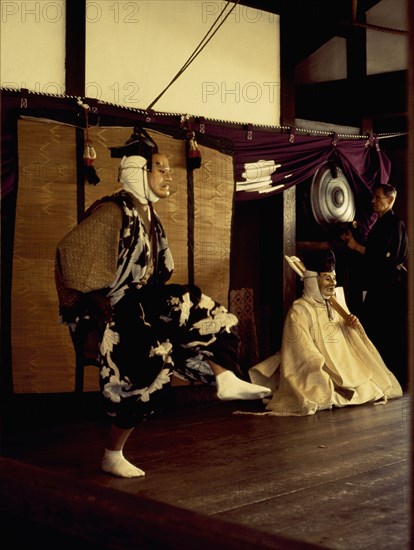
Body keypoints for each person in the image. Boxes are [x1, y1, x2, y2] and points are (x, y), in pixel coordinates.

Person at [55, 128, 271, 478]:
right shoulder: (113, 212)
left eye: (169, 169)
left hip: (142, 302)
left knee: (205, 311)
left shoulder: (149, 216)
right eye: (160, 169)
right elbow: (71, 256)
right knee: (151, 366)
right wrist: (94, 303)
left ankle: (225, 376)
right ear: (137, 172)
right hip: (115, 310)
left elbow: (160, 272)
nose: (169, 175)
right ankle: (113, 452)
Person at [248, 249, 402, 416]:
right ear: (313, 280)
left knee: (371, 389)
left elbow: (349, 344)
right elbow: (302, 351)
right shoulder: (299, 310)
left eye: (334, 278)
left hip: (345, 368)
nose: (333, 283)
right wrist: (323, 370)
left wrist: (353, 326)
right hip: (316, 368)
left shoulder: (336, 305)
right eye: (327, 278)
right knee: (320, 392)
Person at [342, 183, 408, 388]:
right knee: (375, 329)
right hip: (379, 286)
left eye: (378, 198)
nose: (373, 201)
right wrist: (354, 241)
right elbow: (374, 251)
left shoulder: (395, 224)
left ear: (390, 201)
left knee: (387, 331)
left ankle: (393, 377)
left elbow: (384, 257)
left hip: (390, 288)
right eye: (374, 197)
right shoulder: (380, 224)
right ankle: (380, 374)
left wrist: (356, 246)